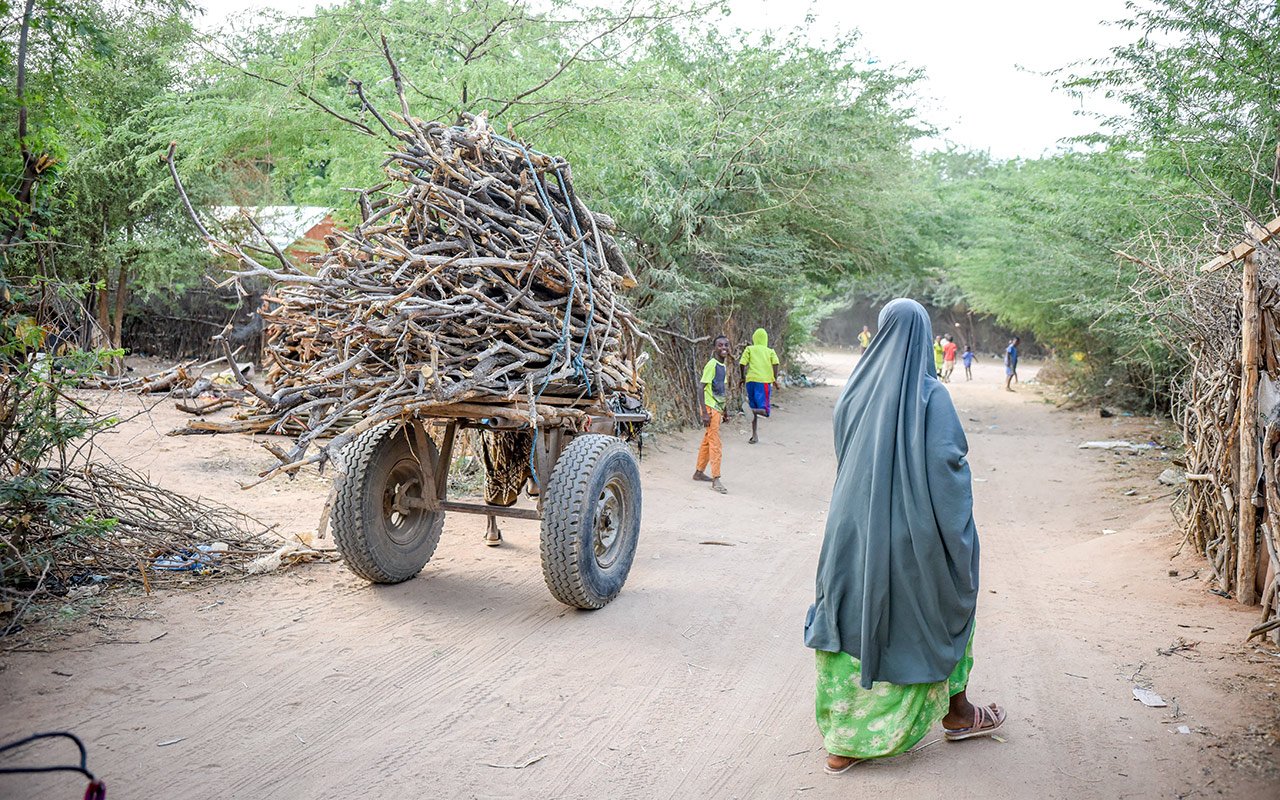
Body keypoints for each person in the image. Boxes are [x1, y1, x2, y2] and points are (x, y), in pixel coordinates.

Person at [804, 298, 1004, 775]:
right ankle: (958, 713)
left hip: (849, 530)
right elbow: (948, 467)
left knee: (850, 611)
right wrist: (958, 537)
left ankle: (843, 740)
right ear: (922, 337)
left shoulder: (853, 390)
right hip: (909, 535)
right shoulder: (930, 397)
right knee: (946, 603)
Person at [692, 335, 733, 494]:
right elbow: (701, 388)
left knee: (708, 440)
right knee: (715, 443)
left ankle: (698, 472)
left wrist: (725, 410)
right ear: (715, 348)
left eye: (726, 345)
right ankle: (716, 479)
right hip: (710, 408)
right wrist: (704, 413)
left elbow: (721, 390)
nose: (724, 348)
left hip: (717, 408)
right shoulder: (712, 365)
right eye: (720, 345)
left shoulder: (722, 366)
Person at [739, 327, 780, 444]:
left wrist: (742, 378)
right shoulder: (770, 351)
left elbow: (742, 363)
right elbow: (776, 363)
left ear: (754, 339)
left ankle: (754, 435)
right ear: (765, 339)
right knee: (765, 411)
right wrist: (774, 379)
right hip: (764, 382)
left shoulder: (749, 349)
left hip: (750, 381)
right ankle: (749, 410)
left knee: (754, 409)